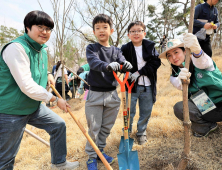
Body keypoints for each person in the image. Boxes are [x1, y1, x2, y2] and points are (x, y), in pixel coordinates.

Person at [0, 11, 79, 170]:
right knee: (6, 158)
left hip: (33, 106)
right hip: (11, 110)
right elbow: (27, 85)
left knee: (58, 125)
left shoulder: (41, 49)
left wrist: (48, 73)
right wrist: (55, 100)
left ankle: (59, 163)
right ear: (28, 28)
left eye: (48, 29)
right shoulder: (16, 48)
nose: (44, 32)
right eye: (40, 27)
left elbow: (38, 68)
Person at [85, 14, 132, 170]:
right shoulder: (92, 48)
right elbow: (94, 62)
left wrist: (126, 64)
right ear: (94, 32)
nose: (101, 30)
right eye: (97, 28)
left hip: (112, 94)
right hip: (95, 94)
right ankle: (92, 157)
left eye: (104, 27)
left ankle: (100, 151)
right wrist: (107, 66)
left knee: (106, 127)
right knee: (94, 127)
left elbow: (122, 60)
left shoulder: (116, 50)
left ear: (111, 30)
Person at [159, 33, 222, 138]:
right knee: (180, 107)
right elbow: (178, 84)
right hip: (207, 107)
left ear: (185, 51)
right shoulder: (174, 76)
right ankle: (207, 126)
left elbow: (202, 61)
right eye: (169, 55)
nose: (173, 57)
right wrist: (181, 80)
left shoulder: (200, 60)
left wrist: (197, 50)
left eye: (176, 52)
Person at [121, 21, 161, 145]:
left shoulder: (150, 46)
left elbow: (156, 63)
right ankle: (127, 132)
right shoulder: (125, 48)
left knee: (146, 110)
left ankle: (141, 132)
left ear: (144, 33)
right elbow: (121, 64)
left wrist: (139, 72)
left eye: (139, 30)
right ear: (128, 35)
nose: (136, 33)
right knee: (129, 110)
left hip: (148, 84)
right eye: (133, 31)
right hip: (131, 85)